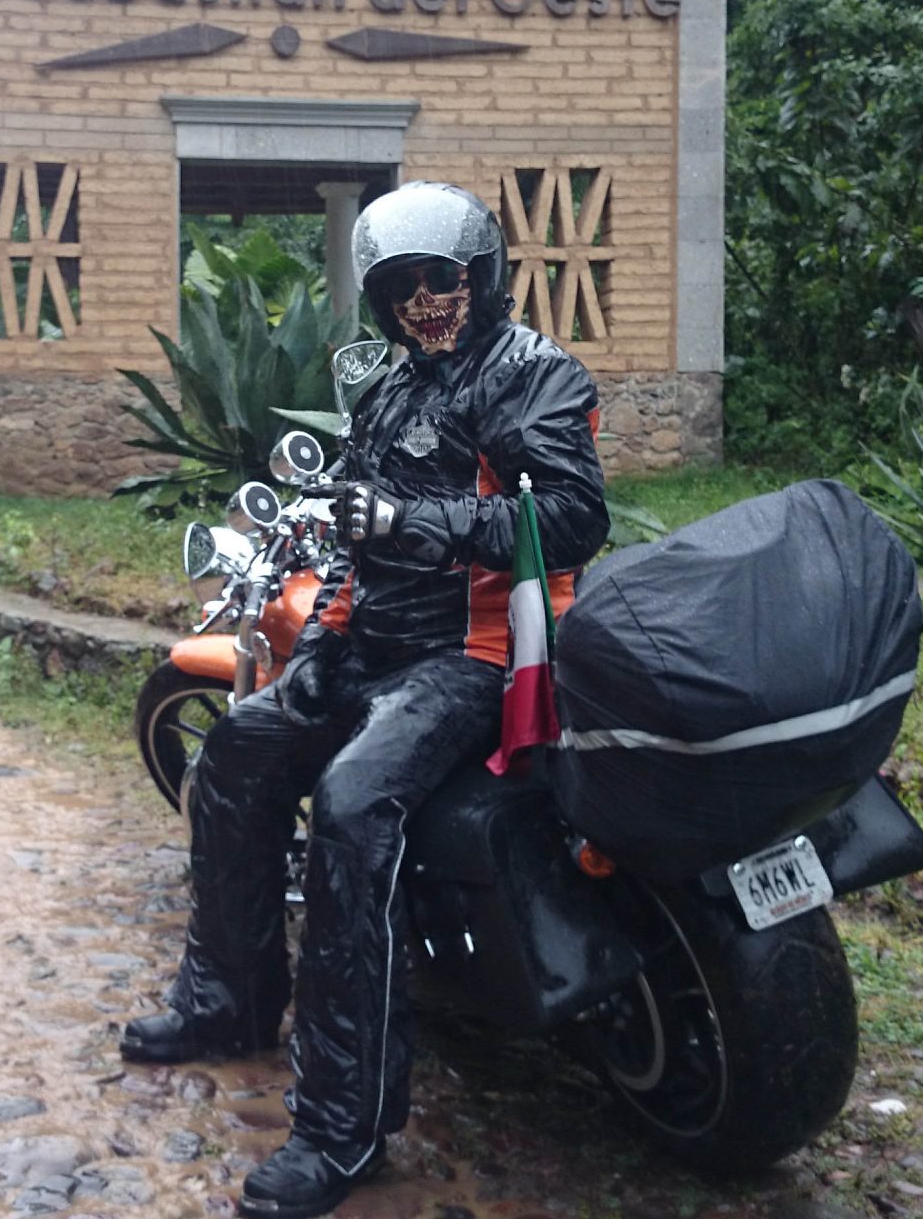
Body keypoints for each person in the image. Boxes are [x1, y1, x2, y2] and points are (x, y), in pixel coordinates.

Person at [119, 182, 611, 1218]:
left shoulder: (533, 376)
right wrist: (330, 634)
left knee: (352, 807)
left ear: (482, 278)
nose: (425, 302)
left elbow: (570, 517)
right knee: (237, 752)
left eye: (443, 281)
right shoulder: (389, 391)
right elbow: (351, 533)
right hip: (377, 644)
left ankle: (343, 1124)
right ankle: (228, 999)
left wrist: (415, 518)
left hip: (477, 656)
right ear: (381, 303)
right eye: (401, 288)